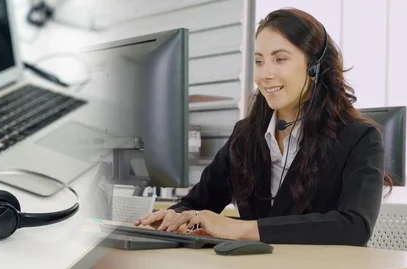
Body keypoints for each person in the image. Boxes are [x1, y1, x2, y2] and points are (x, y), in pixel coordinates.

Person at [134, 7, 392, 246]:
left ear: (315, 67)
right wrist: (172, 217)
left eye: (280, 59)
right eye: (259, 61)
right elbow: (198, 202)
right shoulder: (246, 136)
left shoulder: (359, 138)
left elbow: (354, 226)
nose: (265, 75)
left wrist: (239, 229)